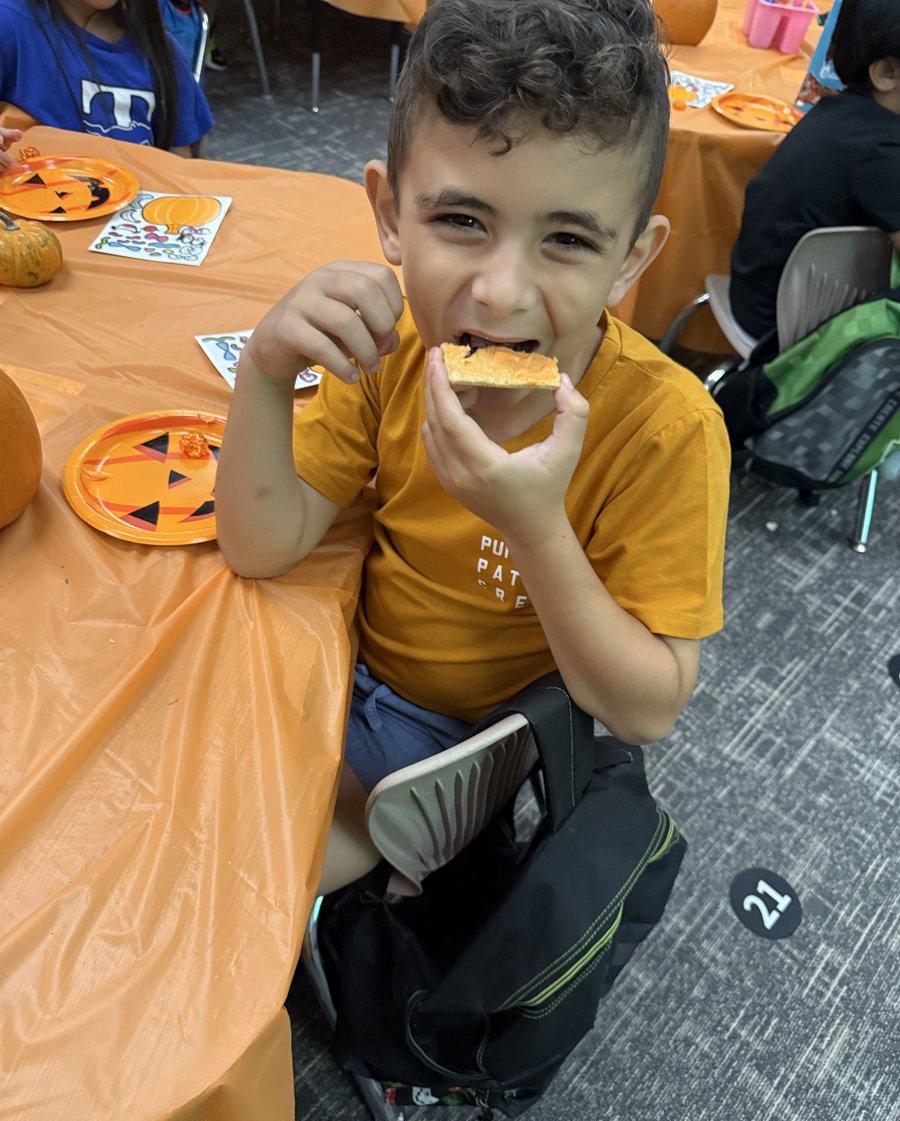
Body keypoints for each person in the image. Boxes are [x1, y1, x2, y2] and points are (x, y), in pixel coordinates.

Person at [215, 0, 731, 894]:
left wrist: (535, 530)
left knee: (236, 868)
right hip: (329, 645)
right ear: (387, 215)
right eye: (460, 221)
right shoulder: (395, 352)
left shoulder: (666, 429)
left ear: (632, 261)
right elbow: (259, 545)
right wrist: (264, 372)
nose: (499, 294)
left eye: (567, 239)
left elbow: (648, 708)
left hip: (449, 740)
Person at [729, 0, 900, 340]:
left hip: (757, 298)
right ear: (886, 73)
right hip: (790, 330)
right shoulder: (880, 151)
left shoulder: (839, 113)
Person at [0, 0, 214, 157]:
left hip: (136, 212)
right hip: (26, 211)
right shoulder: (9, 23)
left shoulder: (163, 51)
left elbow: (181, 162)